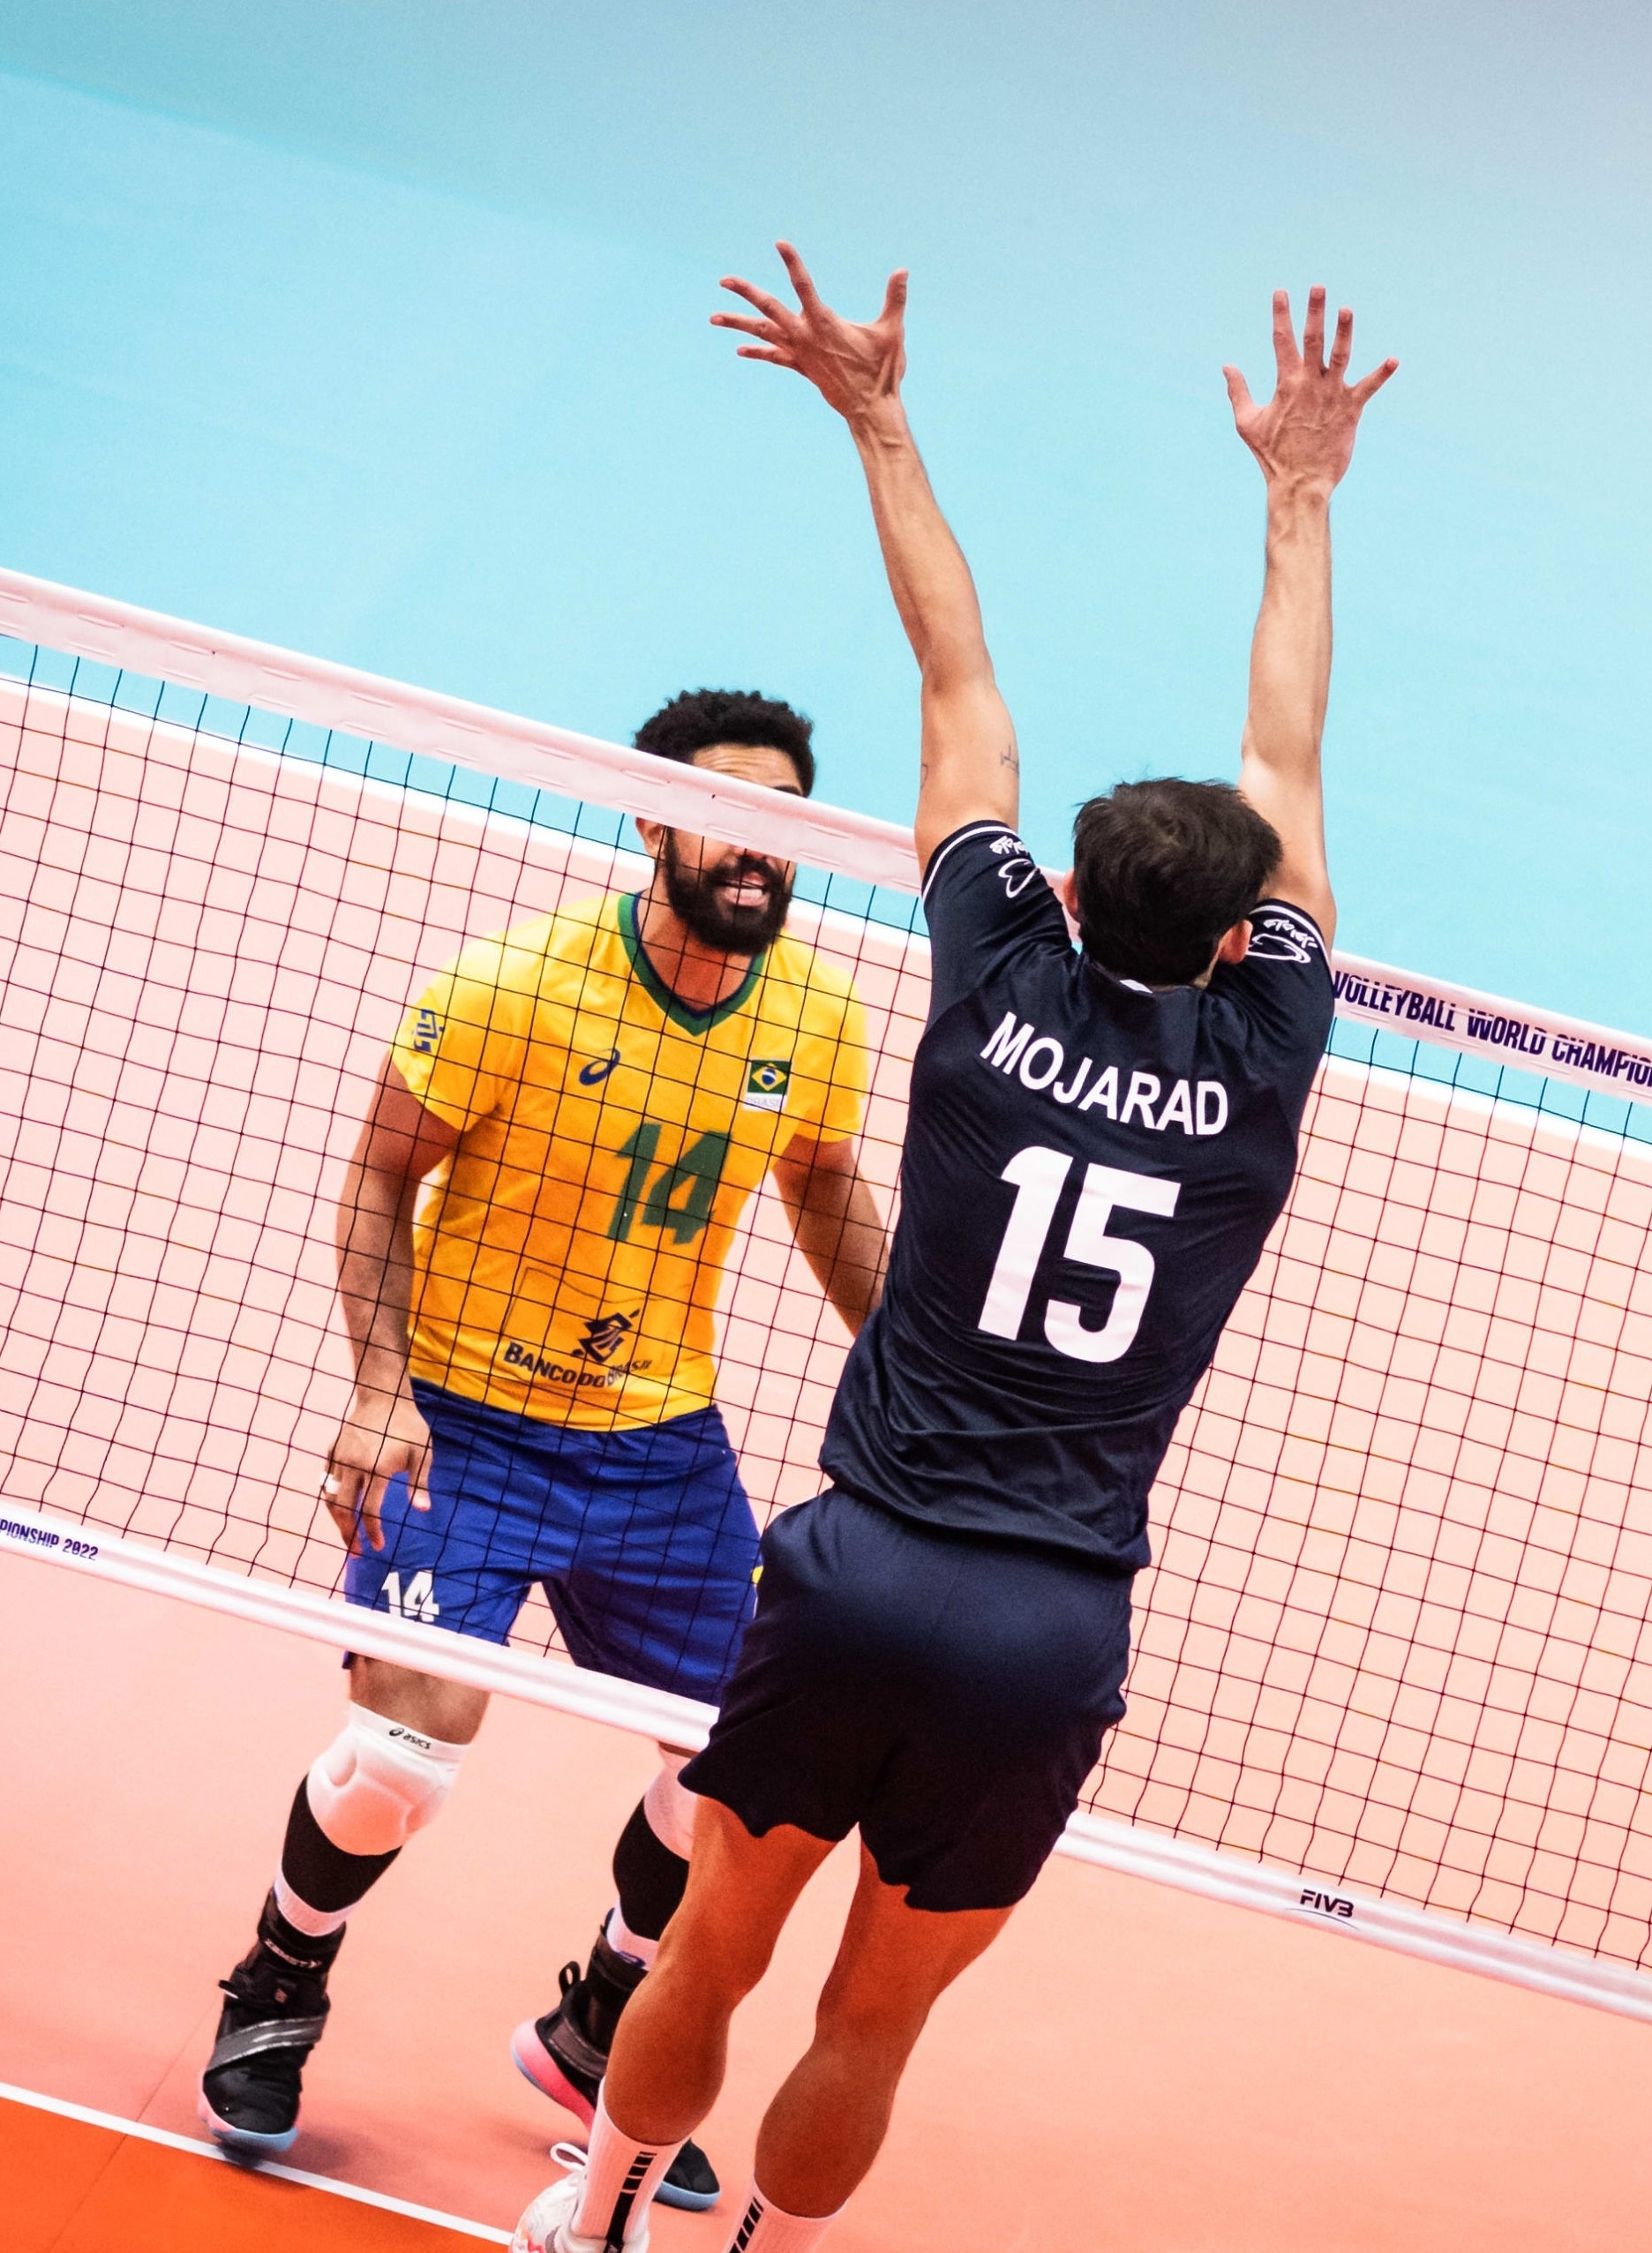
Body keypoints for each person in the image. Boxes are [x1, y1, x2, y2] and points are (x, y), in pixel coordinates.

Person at [499, 246, 1391, 2253]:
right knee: (870, 2021)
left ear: (1062, 893)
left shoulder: (993, 974)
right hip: (1046, 1620)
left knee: (706, 1951)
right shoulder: (1265, 1046)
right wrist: (1300, 495)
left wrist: (878, 415)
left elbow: (957, 678)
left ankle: (605, 2203)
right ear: (1246, 937)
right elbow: (1292, 766)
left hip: (854, 1559)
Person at [196, 691, 888, 2212]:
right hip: (468, 1423)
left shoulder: (815, 1017)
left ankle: (597, 2029)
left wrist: (906, 1365)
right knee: (401, 1751)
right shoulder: (515, 987)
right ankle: (277, 1977)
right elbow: (381, 1172)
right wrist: (381, 1387)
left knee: (741, 1778)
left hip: (660, 1450)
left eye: (786, 820)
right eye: (726, 813)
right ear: (648, 819)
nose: (756, 850)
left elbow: (824, 1184)